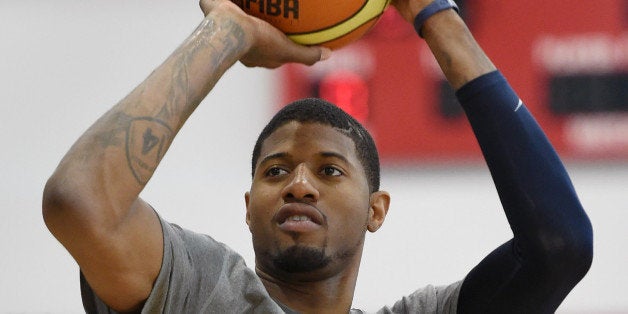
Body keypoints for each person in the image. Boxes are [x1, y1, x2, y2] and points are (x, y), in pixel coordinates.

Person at [42, 0, 593, 313]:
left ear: (377, 209)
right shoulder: (198, 288)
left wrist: (436, 15)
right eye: (275, 170)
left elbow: (559, 247)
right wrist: (226, 32)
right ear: (248, 205)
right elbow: (80, 203)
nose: (298, 185)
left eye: (329, 171)